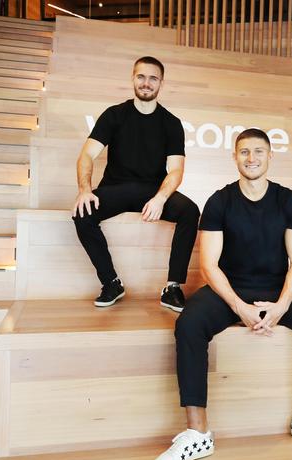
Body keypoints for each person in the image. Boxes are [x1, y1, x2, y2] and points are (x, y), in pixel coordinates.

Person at [153, 128, 292, 460]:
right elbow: (209, 265)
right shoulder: (220, 201)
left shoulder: (288, 200)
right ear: (234, 157)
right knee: (189, 323)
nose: (252, 158)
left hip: (277, 290)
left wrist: (282, 306)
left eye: (259, 151)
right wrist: (238, 307)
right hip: (229, 288)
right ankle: (197, 432)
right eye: (244, 152)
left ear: (270, 156)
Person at [72, 56, 199, 310]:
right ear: (133, 78)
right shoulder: (114, 115)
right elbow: (86, 154)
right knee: (81, 213)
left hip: (152, 191)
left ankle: (173, 287)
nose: (146, 83)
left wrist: (161, 198)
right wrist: (84, 190)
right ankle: (111, 282)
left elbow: (176, 170)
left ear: (161, 83)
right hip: (115, 189)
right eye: (141, 76)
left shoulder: (171, 123)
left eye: (153, 78)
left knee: (190, 211)